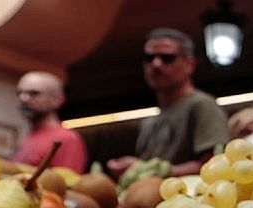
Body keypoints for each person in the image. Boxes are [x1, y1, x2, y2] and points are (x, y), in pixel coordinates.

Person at [107, 28, 228, 178]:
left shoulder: (202, 105)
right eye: (149, 58)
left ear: (189, 64)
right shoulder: (149, 121)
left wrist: (149, 170)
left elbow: (214, 165)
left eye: (167, 58)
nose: (156, 64)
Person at [11, 71, 87, 173]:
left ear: (56, 99)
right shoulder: (29, 137)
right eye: (19, 93)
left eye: (34, 93)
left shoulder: (66, 139)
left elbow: (64, 185)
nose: (23, 98)